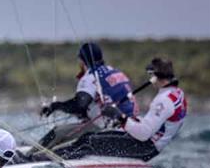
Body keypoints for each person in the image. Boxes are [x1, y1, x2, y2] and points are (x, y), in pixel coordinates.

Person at [52, 57, 187, 161]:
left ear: (154, 76)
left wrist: (120, 117)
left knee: (89, 142)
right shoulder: (177, 93)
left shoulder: (163, 101)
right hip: (147, 143)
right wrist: (133, 120)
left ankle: (50, 160)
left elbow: (144, 133)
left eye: (150, 75)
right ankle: (53, 155)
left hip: (146, 147)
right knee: (87, 137)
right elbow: (158, 126)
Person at [35, 42, 136, 150]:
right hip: (130, 125)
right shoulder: (115, 72)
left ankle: (29, 156)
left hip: (108, 129)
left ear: (82, 61)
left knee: (57, 132)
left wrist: (56, 106)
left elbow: (80, 105)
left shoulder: (91, 76)